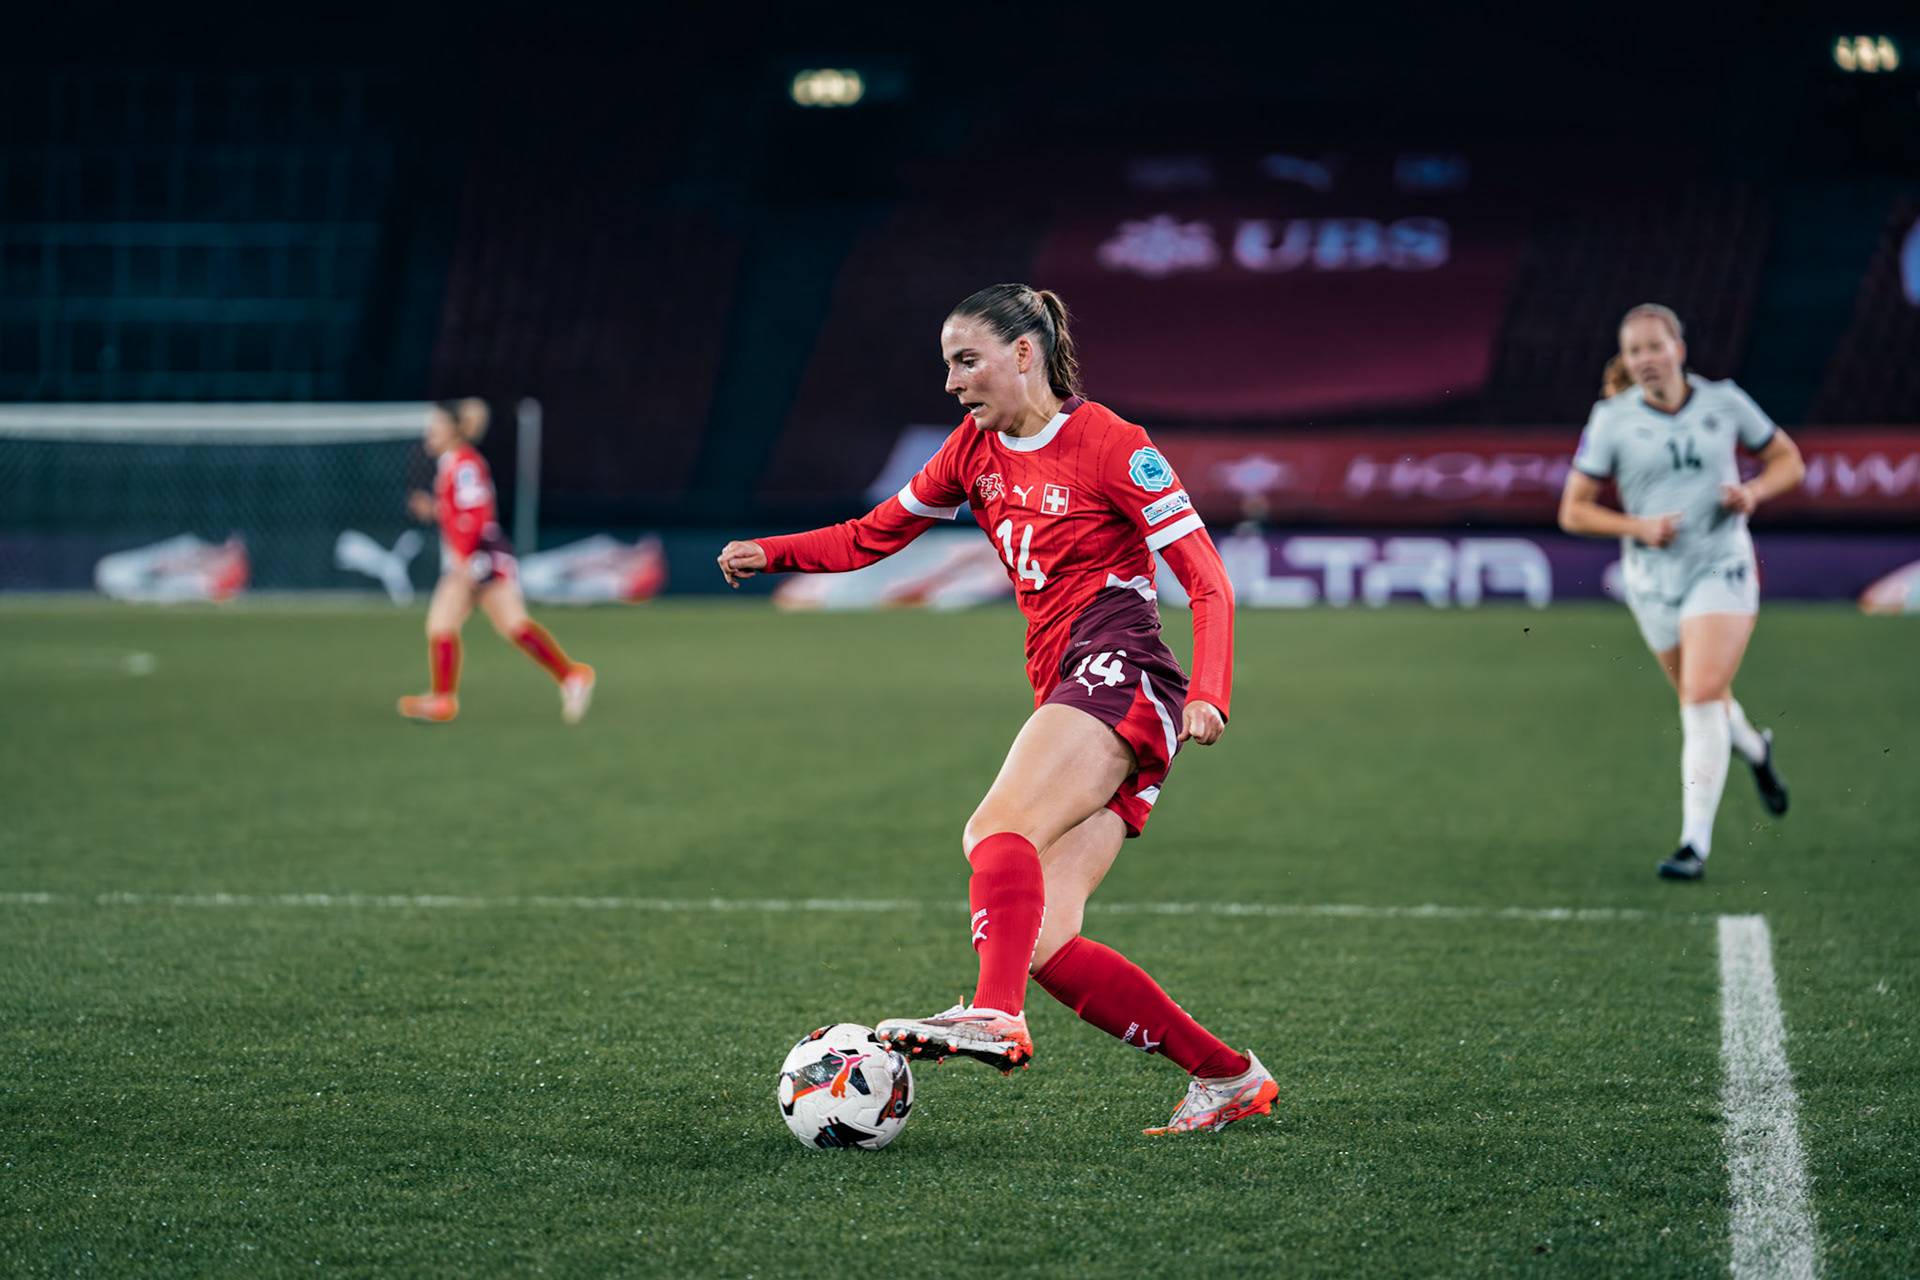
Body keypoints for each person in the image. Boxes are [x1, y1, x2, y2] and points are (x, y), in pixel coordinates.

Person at [718, 284, 1278, 1135]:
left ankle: (993, 1014)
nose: (952, 382)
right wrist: (774, 552)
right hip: (1078, 687)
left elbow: (1206, 577)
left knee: (994, 829)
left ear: (1026, 354)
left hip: (1120, 670)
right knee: (1047, 938)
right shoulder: (971, 450)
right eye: (947, 365)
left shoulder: (1113, 445)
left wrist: (1212, 690)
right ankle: (1226, 1075)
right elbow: (874, 533)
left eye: (966, 361)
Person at [1559, 304, 1804, 880]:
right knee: (1706, 699)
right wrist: (1637, 527)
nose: (1645, 359)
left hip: (1721, 567)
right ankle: (1758, 752)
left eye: (1654, 346)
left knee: (1698, 696)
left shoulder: (1725, 403)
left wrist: (1755, 492)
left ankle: (1693, 845)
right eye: (1634, 350)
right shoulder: (1611, 419)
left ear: (1679, 349)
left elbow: (1788, 461)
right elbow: (1573, 511)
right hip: (1653, 581)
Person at [398, 398, 595, 724]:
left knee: (474, 624)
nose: (428, 432)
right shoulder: (453, 463)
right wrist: (434, 510)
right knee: (487, 625)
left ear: (452, 429)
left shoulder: (463, 464)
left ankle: (570, 676)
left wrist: (464, 559)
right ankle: (569, 676)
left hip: (480, 555)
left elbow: (476, 515)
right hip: (476, 555)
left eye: (434, 425)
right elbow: (460, 512)